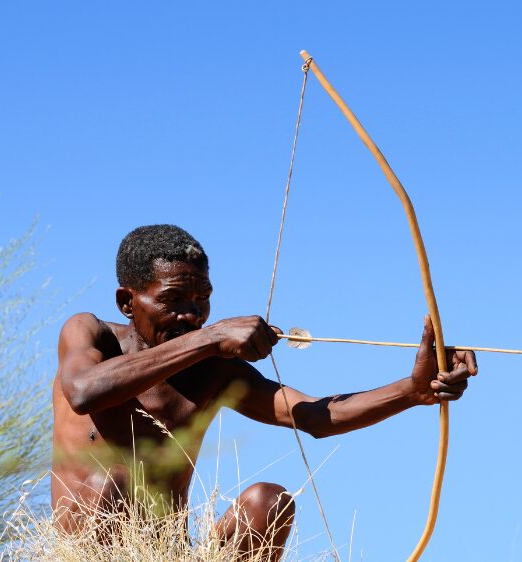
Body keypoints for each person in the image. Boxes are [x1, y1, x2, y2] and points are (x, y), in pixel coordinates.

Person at [51, 225, 478, 560]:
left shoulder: (213, 369)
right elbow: (85, 391)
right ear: (128, 302)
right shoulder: (92, 333)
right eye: (174, 300)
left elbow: (311, 415)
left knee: (269, 503)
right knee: (112, 482)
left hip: (168, 556)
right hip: (85, 554)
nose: (192, 314)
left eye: (202, 300)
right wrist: (210, 338)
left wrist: (411, 390)